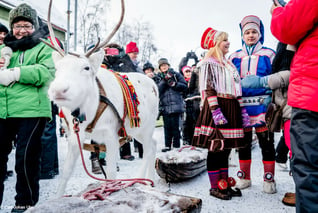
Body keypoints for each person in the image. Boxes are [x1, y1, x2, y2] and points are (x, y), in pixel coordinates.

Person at [0, 3, 55, 212]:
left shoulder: (44, 47)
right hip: (3, 110)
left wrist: (15, 73)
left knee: (25, 158)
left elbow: (48, 73)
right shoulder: (4, 49)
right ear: (11, 27)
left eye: (26, 25)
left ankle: (25, 201)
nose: (22, 30)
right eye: (17, 25)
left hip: (32, 111)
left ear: (35, 25)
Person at [271, 0, 318, 211]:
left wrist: (278, 10)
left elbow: (287, 27)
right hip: (298, 95)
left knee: (308, 168)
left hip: (309, 95)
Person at [192, 27, 249, 200]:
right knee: (215, 148)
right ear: (215, 43)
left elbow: (237, 88)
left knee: (226, 149)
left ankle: (224, 184)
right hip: (217, 106)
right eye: (224, 40)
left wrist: (242, 110)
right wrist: (216, 111)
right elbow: (209, 88)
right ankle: (214, 187)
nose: (228, 43)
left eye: (228, 39)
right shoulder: (209, 62)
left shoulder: (229, 64)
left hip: (231, 106)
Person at [229, 15, 277, 194]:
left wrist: (262, 83)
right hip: (242, 108)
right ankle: (245, 177)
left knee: (266, 142)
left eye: (254, 32)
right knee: (244, 143)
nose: (250, 35)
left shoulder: (269, 54)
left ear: (260, 34)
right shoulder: (234, 56)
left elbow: (276, 77)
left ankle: (269, 178)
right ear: (242, 35)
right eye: (247, 32)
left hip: (263, 106)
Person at [157, 58, 187, 152]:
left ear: (168, 65)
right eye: (162, 66)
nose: (164, 67)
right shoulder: (158, 77)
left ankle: (176, 146)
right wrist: (164, 81)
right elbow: (157, 90)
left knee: (175, 127)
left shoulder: (176, 74)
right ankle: (167, 145)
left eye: (165, 65)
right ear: (160, 68)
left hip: (176, 105)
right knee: (166, 127)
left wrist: (174, 84)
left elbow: (184, 86)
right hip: (165, 106)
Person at [181, 65, 200, 145]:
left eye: (189, 72)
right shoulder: (182, 81)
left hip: (194, 102)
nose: (188, 73)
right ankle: (186, 139)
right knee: (185, 122)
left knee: (195, 121)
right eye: (186, 72)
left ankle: (195, 139)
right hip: (185, 103)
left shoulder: (195, 81)